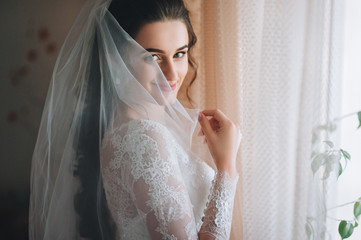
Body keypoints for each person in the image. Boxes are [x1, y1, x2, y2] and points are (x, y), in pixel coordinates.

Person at [29, 0, 241, 239]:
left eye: (179, 53)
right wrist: (227, 169)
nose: (172, 73)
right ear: (114, 57)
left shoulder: (135, 118)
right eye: (153, 57)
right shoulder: (142, 139)